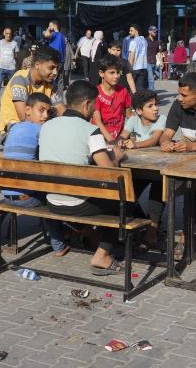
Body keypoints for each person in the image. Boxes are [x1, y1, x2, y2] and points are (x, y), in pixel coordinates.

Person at [39, 80, 127, 275]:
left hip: (52, 200)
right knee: (122, 201)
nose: (96, 110)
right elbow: (109, 172)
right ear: (87, 104)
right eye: (95, 105)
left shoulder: (46, 126)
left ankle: (92, 236)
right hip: (76, 204)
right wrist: (117, 156)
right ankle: (103, 254)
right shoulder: (91, 130)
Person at [1, 92, 69, 256]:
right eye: (41, 110)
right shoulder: (41, 130)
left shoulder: (14, 128)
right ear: (28, 110)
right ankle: (59, 244)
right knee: (54, 199)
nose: (45, 116)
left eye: (48, 111)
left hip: (6, 194)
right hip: (26, 198)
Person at [119, 89, 167, 246]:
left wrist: (135, 144)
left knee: (158, 191)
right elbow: (123, 134)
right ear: (139, 110)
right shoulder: (133, 120)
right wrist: (120, 141)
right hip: (138, 168)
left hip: (157, 169)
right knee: (129, 193)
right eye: (150, 106)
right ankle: (141, 225)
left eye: (156, 104)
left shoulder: (161, 120)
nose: (155, 109)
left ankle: (152, 229)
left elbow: (154, 140)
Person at [0, 45, 65, 135]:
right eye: (51, 68)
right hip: (15, 130)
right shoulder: (20, 79)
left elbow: (61, 109)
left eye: (57, 68)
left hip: (39, 127)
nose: (55, 72)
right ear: (37, 65)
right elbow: (25, 118)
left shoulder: (50, 84)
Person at [93, 55, 132, 143]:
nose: (116, 76)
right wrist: (111, 140)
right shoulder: (95, 93)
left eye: (118, 72)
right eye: (112, 72)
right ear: (101, 73)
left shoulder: (123, 91)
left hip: (119, 138)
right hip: (99, 139)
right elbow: (97, 121)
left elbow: (129, 116)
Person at [0, 27, 19, 106]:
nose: (8, 35)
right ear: (4, 34)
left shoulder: (14, 43)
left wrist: (13, 62)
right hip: (1, 67)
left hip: (11, 67)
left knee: (12, 85)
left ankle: (12, 101)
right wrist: (1, 59)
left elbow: (16, 54)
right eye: (7, 33)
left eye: (10, 34)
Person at [127, 24, 149, 93]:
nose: (129, 32)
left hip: (134, 68)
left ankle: (133, 103)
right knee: (141, 90)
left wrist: (129, 68)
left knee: (132, 90)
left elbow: (132, 56)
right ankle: (141, 103)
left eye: (131, 30)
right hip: (143, 67)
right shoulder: (144, 41)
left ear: (137, 31)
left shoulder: (133, 42)